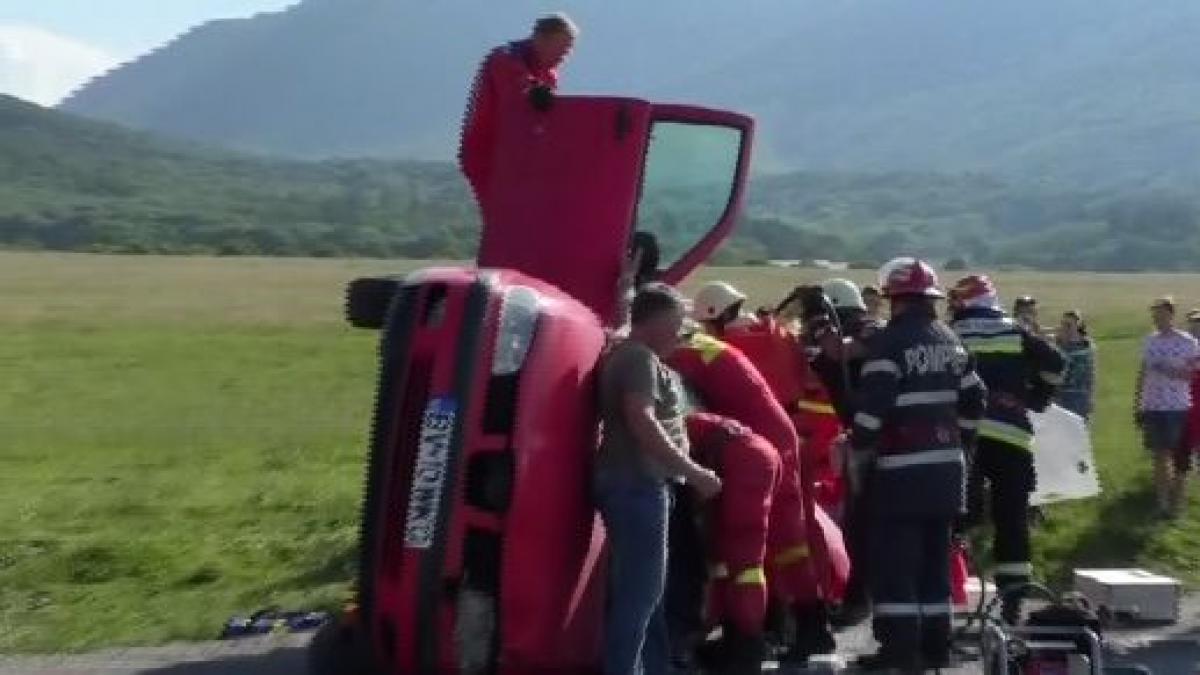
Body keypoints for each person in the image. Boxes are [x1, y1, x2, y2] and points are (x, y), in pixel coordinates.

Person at [667, 329, 844, 666]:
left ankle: (745, 644)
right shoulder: (707, 349)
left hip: (752, 449)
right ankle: (811, 626)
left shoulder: (679, 355)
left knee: (742, 555)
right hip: (775, 440)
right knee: (790, 545)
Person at [847, 258, 986, 672]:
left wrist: (858, 442)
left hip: (901, 473)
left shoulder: (889, 344)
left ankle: (900, 650)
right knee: (934, 563)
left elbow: (872, 413)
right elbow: (975, 400)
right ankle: (936, 646)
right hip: (948, 472)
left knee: (896, 564)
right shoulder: (950, 339)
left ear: (894, 299)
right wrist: (958, 438)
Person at [595, 283, 721, 675]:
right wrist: (694, 472)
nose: (680, 332)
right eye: (676, 322)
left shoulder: (628, 354)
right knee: (641, 595)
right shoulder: (638, 358)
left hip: (639, 484)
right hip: (639, 483)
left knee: (647, 592)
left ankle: (654, 666)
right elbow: (642, 419)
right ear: (657, 320)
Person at [950, 274, 1065, 621]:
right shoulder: (1016, 330)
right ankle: (1013, 600)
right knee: (1012, 518)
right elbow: (1057, 364)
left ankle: (946, 589)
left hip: (966, 436)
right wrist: (1036, 398)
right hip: (1012, 437)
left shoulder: (953, 333)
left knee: (956, 514)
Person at [685, 411, 780, 674]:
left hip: (744, 459)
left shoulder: (664, 420)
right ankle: (738, 639)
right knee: (732, 558)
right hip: (752, 453)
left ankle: (747, 648)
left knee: (744, 560)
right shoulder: (686, 415)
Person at [459, 13, 579, 199]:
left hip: (518, 155)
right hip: (487, 154)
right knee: (503, 208)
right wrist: (536, 92)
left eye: (568, 51)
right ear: (541, 39)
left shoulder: (548, 73)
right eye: (561, 49)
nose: (564, 56)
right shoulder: (505, 58)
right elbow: (520, 91)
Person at [1134, 297, 1200, 519]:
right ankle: (1162, 503)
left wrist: (1168, 370)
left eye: (1161, 313)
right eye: (1154, 313)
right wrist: (1138, 403)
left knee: (1180, 458)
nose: (1157, 317)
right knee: (1160, 456)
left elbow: (1192, 375)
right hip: (1153, 406)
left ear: (1171, 314)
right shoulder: (1149, 341)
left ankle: (1177, 504)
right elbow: (1143, 373)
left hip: (1178, 407)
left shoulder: (1188, 342)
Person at [1055, 310, 1097, 420]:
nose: (1065, 328)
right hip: (1060, 395)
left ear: (1077, 325)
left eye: (1068, 325)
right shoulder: (1058, 344)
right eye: (1063, 324)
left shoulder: (1086, 345)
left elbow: (1090, 373)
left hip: (1080, 396)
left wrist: (1091, 397)